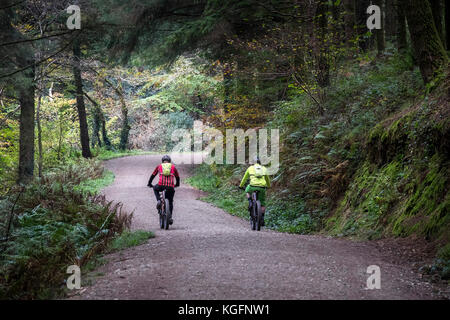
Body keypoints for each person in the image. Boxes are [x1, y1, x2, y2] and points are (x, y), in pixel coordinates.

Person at [147, 155, 180, 225]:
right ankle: (170, 217)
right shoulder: (173, 167)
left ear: (162, 161)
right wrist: (177, 184)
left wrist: (149, 183)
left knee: (155, 188)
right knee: (170, 202)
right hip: (170, 187)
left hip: (161, 185)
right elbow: (177, 177)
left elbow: (153, 175)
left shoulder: (159, 166)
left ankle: (159, 200)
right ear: (169, 161)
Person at [239, 156, 271, 226]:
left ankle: (250, 200)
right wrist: (268, 186)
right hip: (262, 187)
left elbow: (244, 178)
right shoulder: (264, 169)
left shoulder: (250, 168)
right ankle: (262, 218)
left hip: (252, 186)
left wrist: (241, 185)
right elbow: (267, 180)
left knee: (247, 190)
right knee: (262, 203)